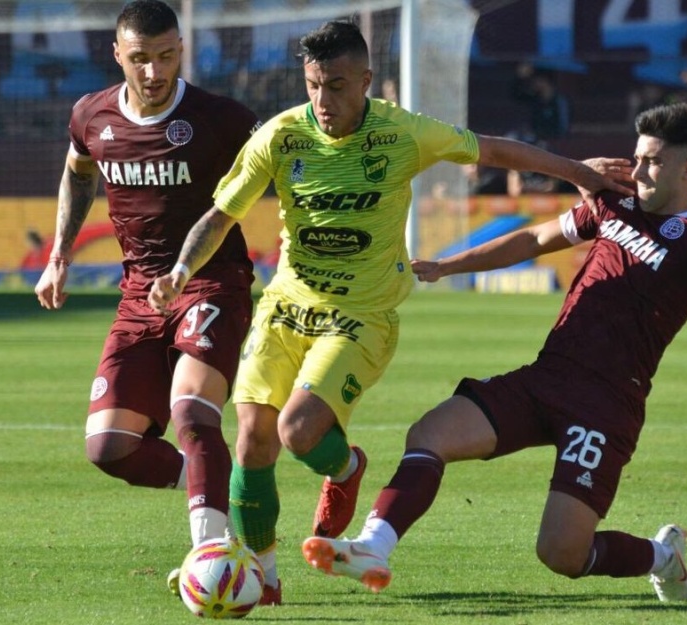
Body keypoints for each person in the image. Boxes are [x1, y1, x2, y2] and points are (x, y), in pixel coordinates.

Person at [147, 18, 632, 604]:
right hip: (286, 305)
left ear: (367, 81)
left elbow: (495, 148)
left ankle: (346, 468)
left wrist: (581, 174)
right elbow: (221, 213)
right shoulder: (280, 137)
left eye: (338, 86)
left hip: (363, 314)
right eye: (313, 85)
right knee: (251, 438)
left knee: (297, 430)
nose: (323, 100)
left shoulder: (403, 133)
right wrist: (180, 270)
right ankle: (264, 579)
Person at [300, 102, 687, 601]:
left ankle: (663, 556)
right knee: (430, 433)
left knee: (561, 552)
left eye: (652, 161)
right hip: (546, 379)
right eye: (636, 157)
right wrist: (447, 266)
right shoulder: (613, 205)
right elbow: (533, 241)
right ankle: (374, 547)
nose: (637, 170)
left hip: (606, 405)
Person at [31, 0, 268, 601]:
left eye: (166, 56)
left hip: (213, 284)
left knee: (192, 413)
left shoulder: (222, 118)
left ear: (181, 50)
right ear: (118, 56)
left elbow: (283, 175)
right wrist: (59, 253)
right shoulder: (92, 114)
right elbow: (79, 170)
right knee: (109, 448)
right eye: (141, 59)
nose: (155, 72)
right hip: (138, 295)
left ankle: (214, 550)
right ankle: (217, 490)